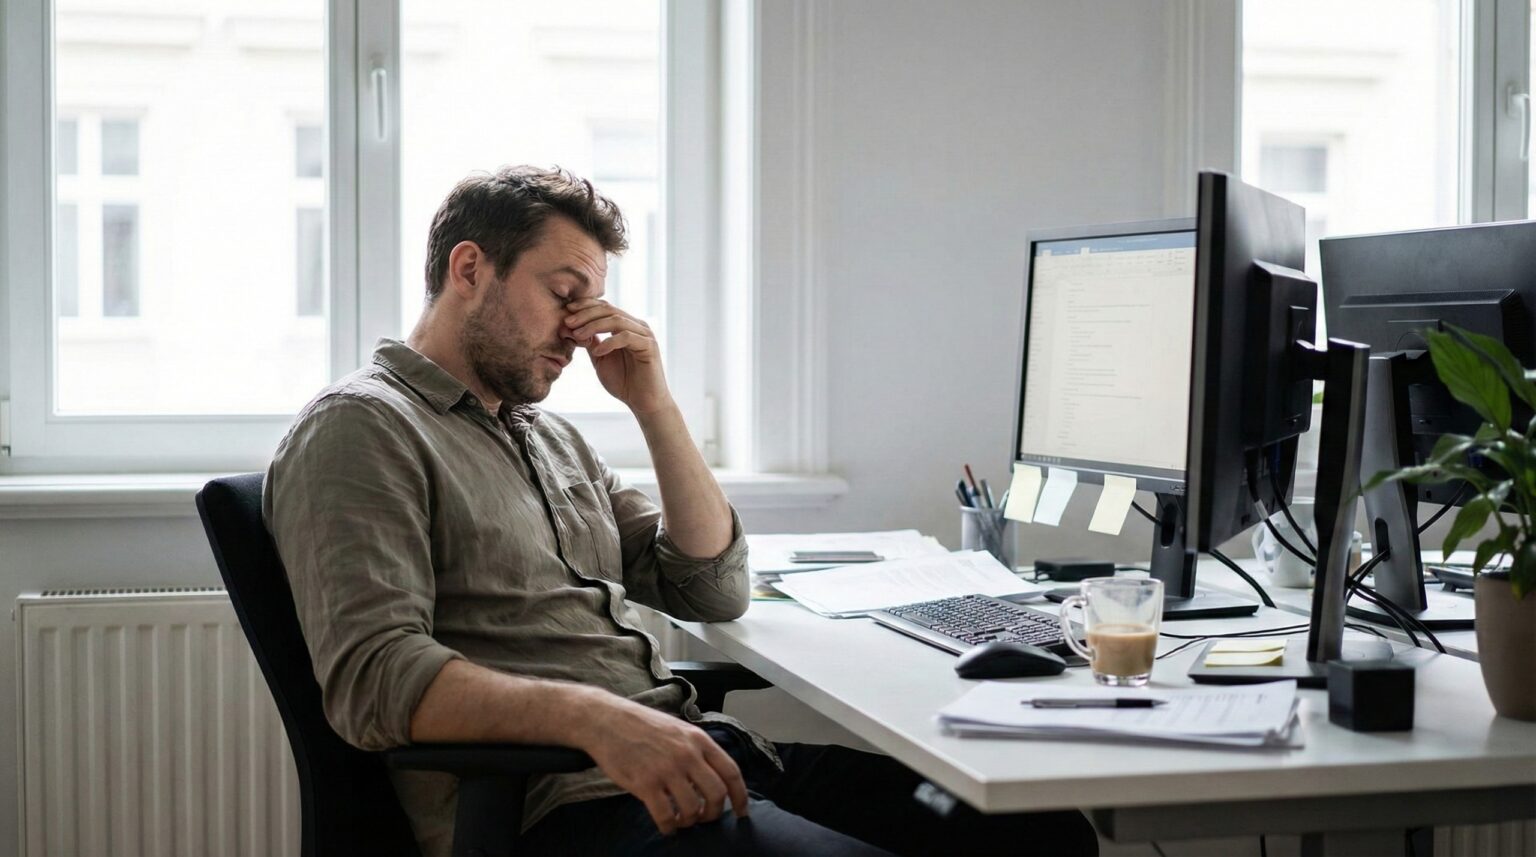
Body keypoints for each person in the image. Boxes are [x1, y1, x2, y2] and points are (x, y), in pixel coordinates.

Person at [264, 165, 1097, 857]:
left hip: (698, 755)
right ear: (470, 268)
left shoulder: (545, 437)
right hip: (564, 802)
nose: (582, 331)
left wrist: (653, 403)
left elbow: (709, 586)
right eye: (564, 294)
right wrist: (599, 720)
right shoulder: (363, 428)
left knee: (1040, 832)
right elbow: (373, 680)